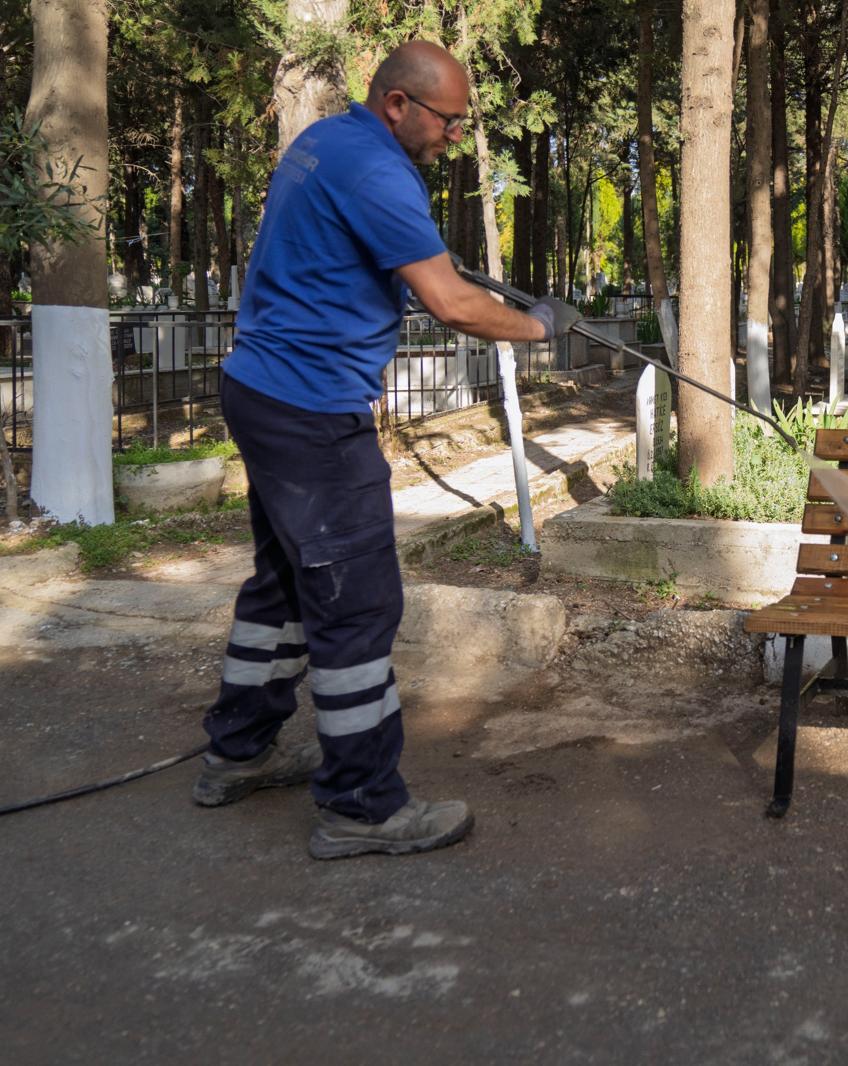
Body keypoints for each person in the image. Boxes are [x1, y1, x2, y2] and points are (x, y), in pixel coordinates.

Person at [191, 41, 578, 860]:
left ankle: (238, 750)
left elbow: (352, 258)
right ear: (398, 104)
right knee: (357, 602)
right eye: (448, 121)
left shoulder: (326, 143)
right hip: (311, 410)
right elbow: (452, 306)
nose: (454, 138)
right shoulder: (378, 172)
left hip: (260, 390)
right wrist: (542, 326)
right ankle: (362, 805)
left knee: (287, 586)